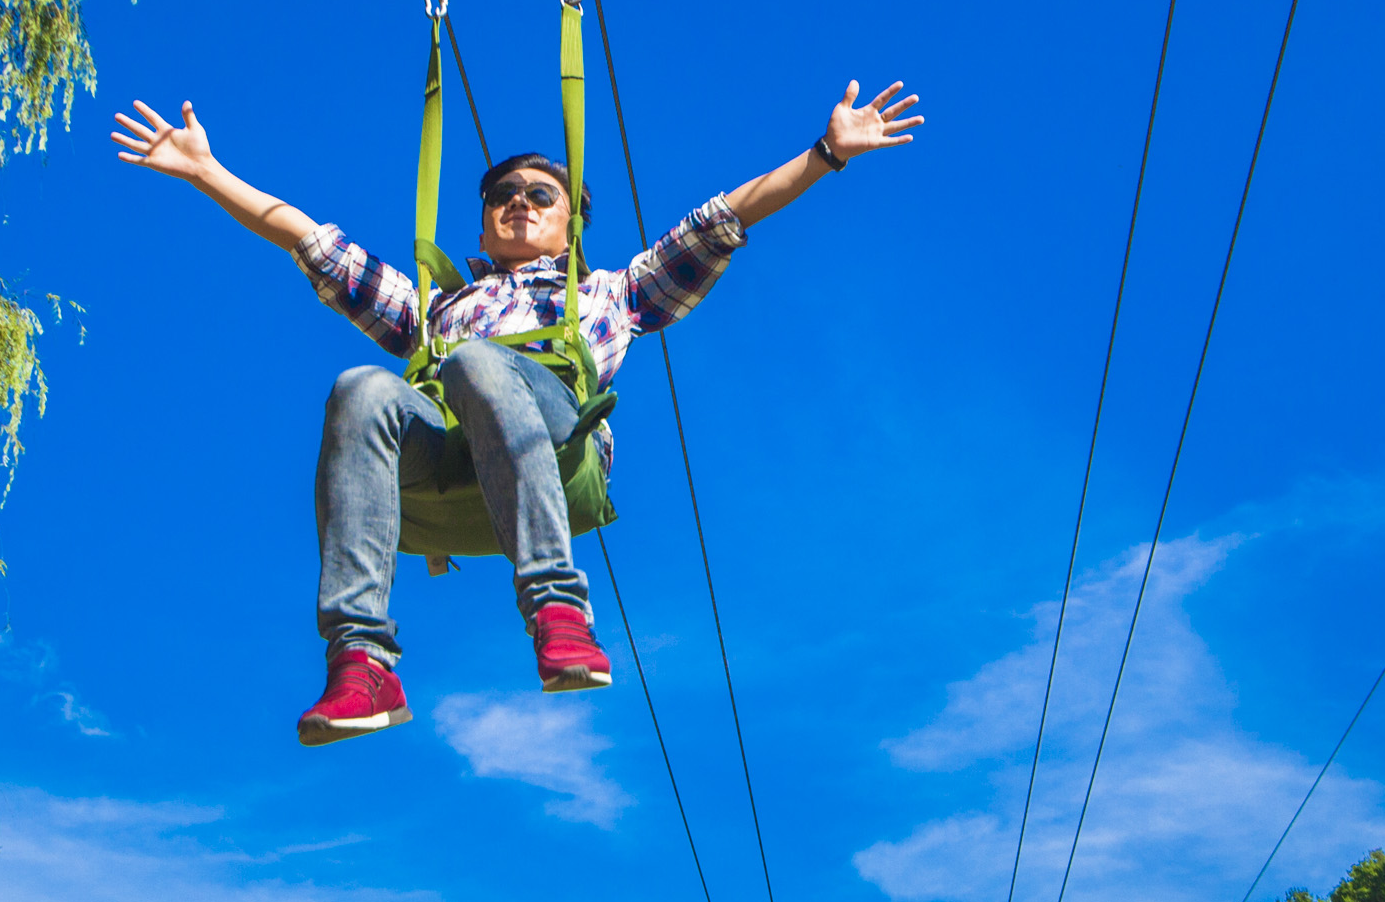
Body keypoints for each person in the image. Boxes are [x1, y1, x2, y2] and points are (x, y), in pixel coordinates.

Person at [111, 78, 924, 747]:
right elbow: (315, 244)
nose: (520, 204)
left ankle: (557, 607)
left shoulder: (610, 294)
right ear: (483, 223)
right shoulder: (438, 308)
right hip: (449, 476)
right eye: (503, 197)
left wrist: (824, 156)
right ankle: (361, 662)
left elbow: (724, 219)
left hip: (554, 451)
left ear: (571, 224)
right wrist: (208, 173)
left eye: (541, 195)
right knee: (361, 385)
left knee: (476, 361)